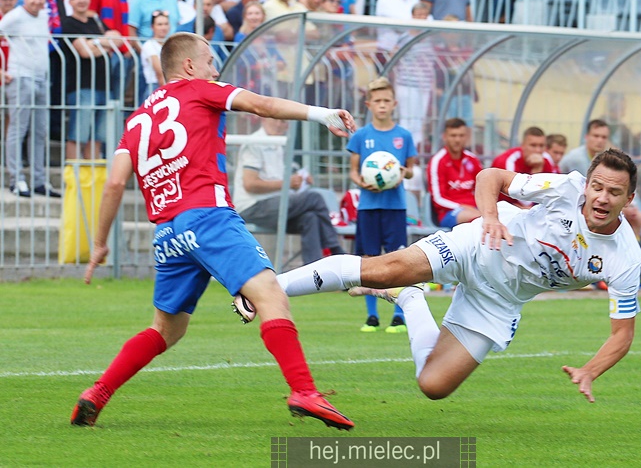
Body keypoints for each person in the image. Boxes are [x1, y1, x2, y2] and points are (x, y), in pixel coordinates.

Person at [71, 31, 357, 431]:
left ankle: (97, 392)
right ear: (188, 66)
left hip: (168, 234)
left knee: (165, 330)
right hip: (208, 216)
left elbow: (116, 183)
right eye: (209, 60)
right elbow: (262, 105)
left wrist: (100, 243)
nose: (215, 68)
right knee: (271, 295)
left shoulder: (136, 121)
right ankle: (304, 391)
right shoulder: (199, 88)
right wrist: (319, 113)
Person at [268, 148, 641, 404]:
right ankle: (267, 289)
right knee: (382, 270)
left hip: (499, 302)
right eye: (597, 187)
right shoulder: (565, 188)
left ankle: (410, 296)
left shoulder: (625, 256)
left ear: (629, 199)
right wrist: (491, 218)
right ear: (586, 184)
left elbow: (622, 334)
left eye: (614, 192)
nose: (602, 198)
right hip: (476, 247)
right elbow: (490, 176)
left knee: (433, 386)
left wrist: (590, 371)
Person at [348, 77, 417, 333]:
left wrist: (401, 174)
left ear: (394, 103)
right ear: (369, 104)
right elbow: (354, 171)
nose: (382, 105)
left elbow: (411, 170)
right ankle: (372, 316)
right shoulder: (361, 136)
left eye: (387, 100)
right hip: (368, 206)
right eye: (377, 101)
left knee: (398, 259)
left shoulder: (404, 136)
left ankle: (399, 314)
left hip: (395, 206)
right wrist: (362, 183)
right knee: (368, 260)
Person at [233, 116, 347, 263]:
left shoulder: (278, 145)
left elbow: (278, 182)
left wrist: (299, 180)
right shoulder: (254, 143)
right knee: (314, 198)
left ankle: (315, 274)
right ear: (264, 119)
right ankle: (335, 248)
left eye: (284, 122)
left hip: (272, 206)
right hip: (252, 207)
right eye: (278, 120)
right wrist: (287, 183)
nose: (282, 125)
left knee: (310, 218)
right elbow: (250, 184)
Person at [0, 0, 60, 197]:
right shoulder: (15, 16)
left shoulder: (43, 15)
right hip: (20, 77)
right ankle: (16, 179)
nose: (36, 1)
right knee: (19, 128)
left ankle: (38, 180)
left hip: (41, 78)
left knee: (40, 131)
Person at [62, 0, 121, 160]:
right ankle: (73, 179)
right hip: (83, 86)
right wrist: (105, 44)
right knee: (78, 136)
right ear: (70, 2)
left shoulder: (95, 21)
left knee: (97, 138)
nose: (82, 0)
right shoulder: (69, 23)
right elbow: (85, 52)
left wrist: (93, 42)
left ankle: (92, 180)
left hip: (104, 86)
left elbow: (117, 39)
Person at [561, 119, 641, 239]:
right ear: (586, 137)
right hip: (577, 205)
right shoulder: (572, 158)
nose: (600, 140)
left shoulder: (611, 159)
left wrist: (631, 207)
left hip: (607, 204)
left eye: (604, 137)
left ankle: (630, 249)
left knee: (638, 216)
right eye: (596, 136)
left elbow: (626, 184)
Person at [394, 2, 435, 151]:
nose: (421, 19)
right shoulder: (405, 37)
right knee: (407, 120)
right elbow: (394, 57)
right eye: (418, 15)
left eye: (424, 16)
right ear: (412, 16)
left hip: (424, 84)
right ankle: (402, 151)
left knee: (419, 122)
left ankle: (414, 153)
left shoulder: (430, 37)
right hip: (407, 83)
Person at [427, 117, 482, 228]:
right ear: (445, 137)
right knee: (479, 219)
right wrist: (461, 206)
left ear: (466, 137)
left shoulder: (472, 159)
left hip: (476, 209)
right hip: (450, 212)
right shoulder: (438, 161)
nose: (457, 140)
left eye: (461, 136)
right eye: (453, 135)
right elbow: (438, 199)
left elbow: (482, 188)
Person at [491, 126, 555, 208]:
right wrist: (536, 173)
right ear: (523, 145)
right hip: (503, 206)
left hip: (532, 205)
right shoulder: (508, 161)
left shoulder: (546, 160)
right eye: (533, 145)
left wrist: (538, 170)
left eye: (541, 146)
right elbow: (524, 201)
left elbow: (552, 193)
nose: (538, 150)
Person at [140, 10, 169, 98]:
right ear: (152, 27)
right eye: (159, 24)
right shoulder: (149, 45)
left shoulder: (170, 43)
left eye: (166, 24)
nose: (163, 27)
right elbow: (159, 71)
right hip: (155, 87)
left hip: (167, 84)